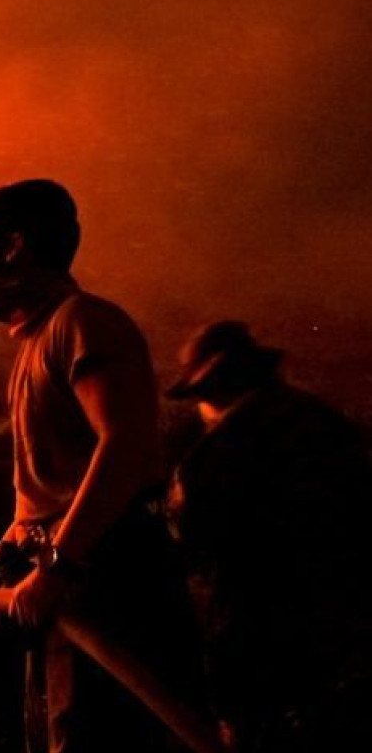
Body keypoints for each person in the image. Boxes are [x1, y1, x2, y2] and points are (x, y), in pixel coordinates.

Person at [0, 179, 202, 752]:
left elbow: (124, 446)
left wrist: (56, 570)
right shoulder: (40, 342)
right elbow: (41, 498)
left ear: (17, 246)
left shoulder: (83, 324)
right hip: (70, 576)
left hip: (110, 576)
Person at [165, 321, 372, 751]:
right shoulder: (327, 424)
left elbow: (191, 550)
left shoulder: (213, 458)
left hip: (257, 641)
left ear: (209, 393)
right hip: (349, 631)